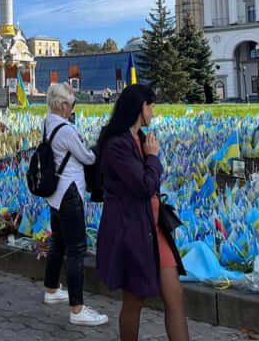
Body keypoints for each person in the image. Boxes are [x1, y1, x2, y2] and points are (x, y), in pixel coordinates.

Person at [96, 84, 188, 341]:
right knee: (135, 300)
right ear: (140, 108)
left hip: (155, 228)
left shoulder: (140, 138)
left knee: (175, 296)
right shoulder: (117, 145)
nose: (154, 112)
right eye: (152, 106)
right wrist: (153, 158)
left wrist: (150, 158)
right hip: (133, 231)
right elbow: (145, 185)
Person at [42, 83, 108, 326]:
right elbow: (87, 157)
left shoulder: (48, 122)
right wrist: (98, 150)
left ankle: (51, 289)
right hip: (70, 193)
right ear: (62, 106)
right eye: (71, 104)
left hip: (55, 194)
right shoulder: (67, 130)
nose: (73, 108)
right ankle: (77, 309)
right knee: (77, 250)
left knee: (57, 241)